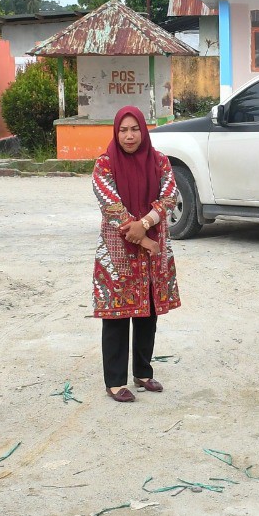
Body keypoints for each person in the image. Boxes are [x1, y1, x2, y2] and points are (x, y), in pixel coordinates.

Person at [91, 106, 181, 401]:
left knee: (149, 312)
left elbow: (169, 197)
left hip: (153, 247)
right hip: (118, 251)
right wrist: (143, 239)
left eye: (135, 129)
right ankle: (115, 381)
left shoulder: (160, 161)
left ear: (143, 130)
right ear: (116, 133)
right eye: (123, 130)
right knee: (117, 315)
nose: (129, 136)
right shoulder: (104, 164)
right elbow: (111, 206)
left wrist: (144, 225)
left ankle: (143, 372)